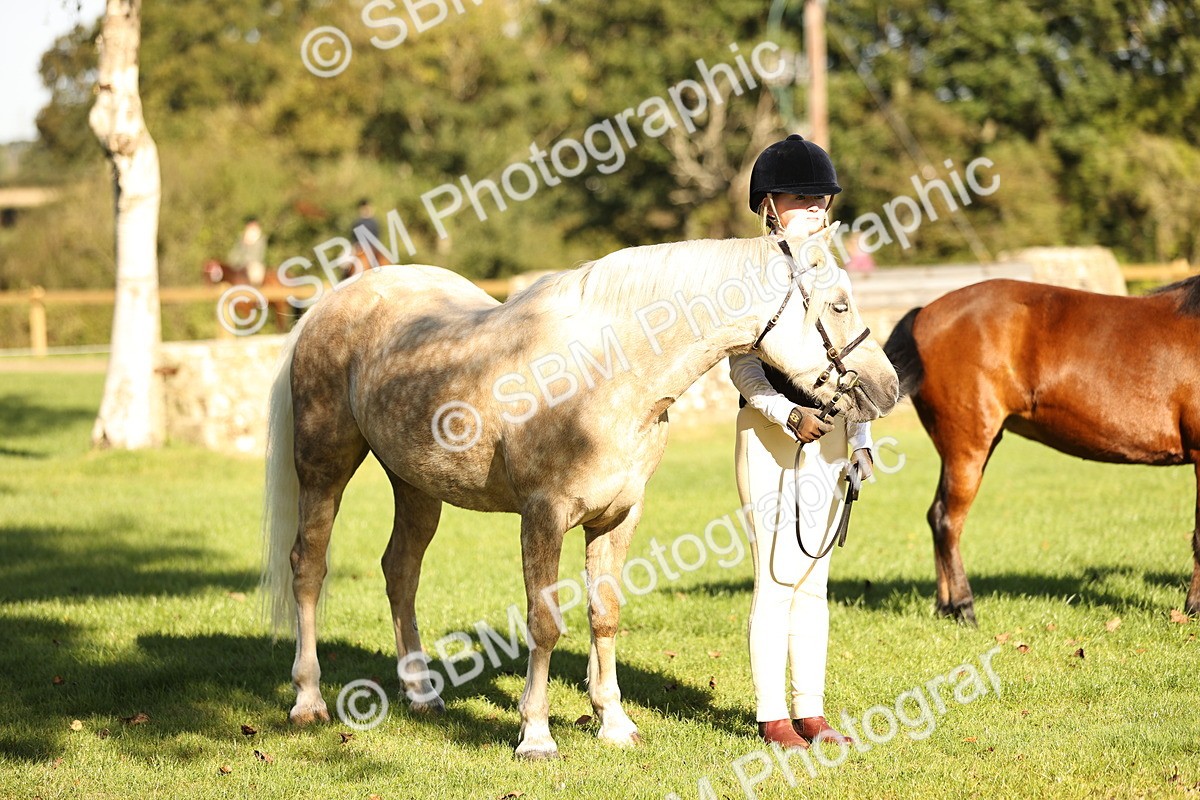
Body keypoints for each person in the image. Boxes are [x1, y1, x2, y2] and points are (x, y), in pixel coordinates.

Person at [729, 134, 875, 750]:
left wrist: (861, 435)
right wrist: (786, 414)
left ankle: (811, 710)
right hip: (768, 438)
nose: (816, 209)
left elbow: (855, 359)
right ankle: (771, 716)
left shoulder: (834, 273)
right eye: (802, 200)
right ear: (769, 205)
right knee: (775, 572)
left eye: (822, 200)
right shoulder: (746, 280)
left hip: (835, 437)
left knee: (815, 576)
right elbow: (742, 368)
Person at [228, 216, 268, 287]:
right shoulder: (241, 238)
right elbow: (235, 252)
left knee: (255, 275)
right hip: (240, 264)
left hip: (254, 264)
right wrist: (233, 261)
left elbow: (259, 254)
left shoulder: (261, 239)